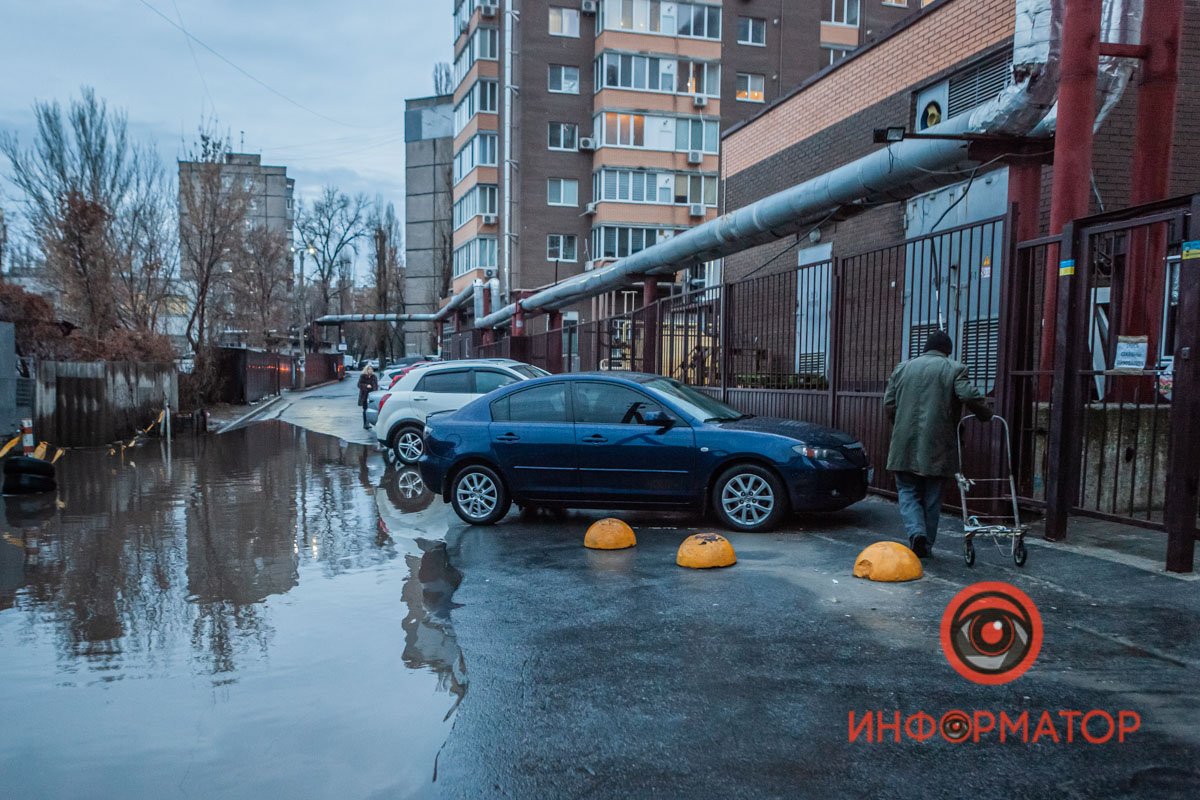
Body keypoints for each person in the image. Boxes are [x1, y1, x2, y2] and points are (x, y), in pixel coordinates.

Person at [883, 330, 992, 558]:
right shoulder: (954, 368)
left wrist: (900, 423)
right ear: (947, 351)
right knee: (932, 497)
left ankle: (916, 533)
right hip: (938, 445)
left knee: (907, 490)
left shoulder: (902, 368)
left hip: (904, 443)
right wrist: (985, 414)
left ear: (925, 348)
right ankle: (926, 544)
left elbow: (889, 403)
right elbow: (968, 396)